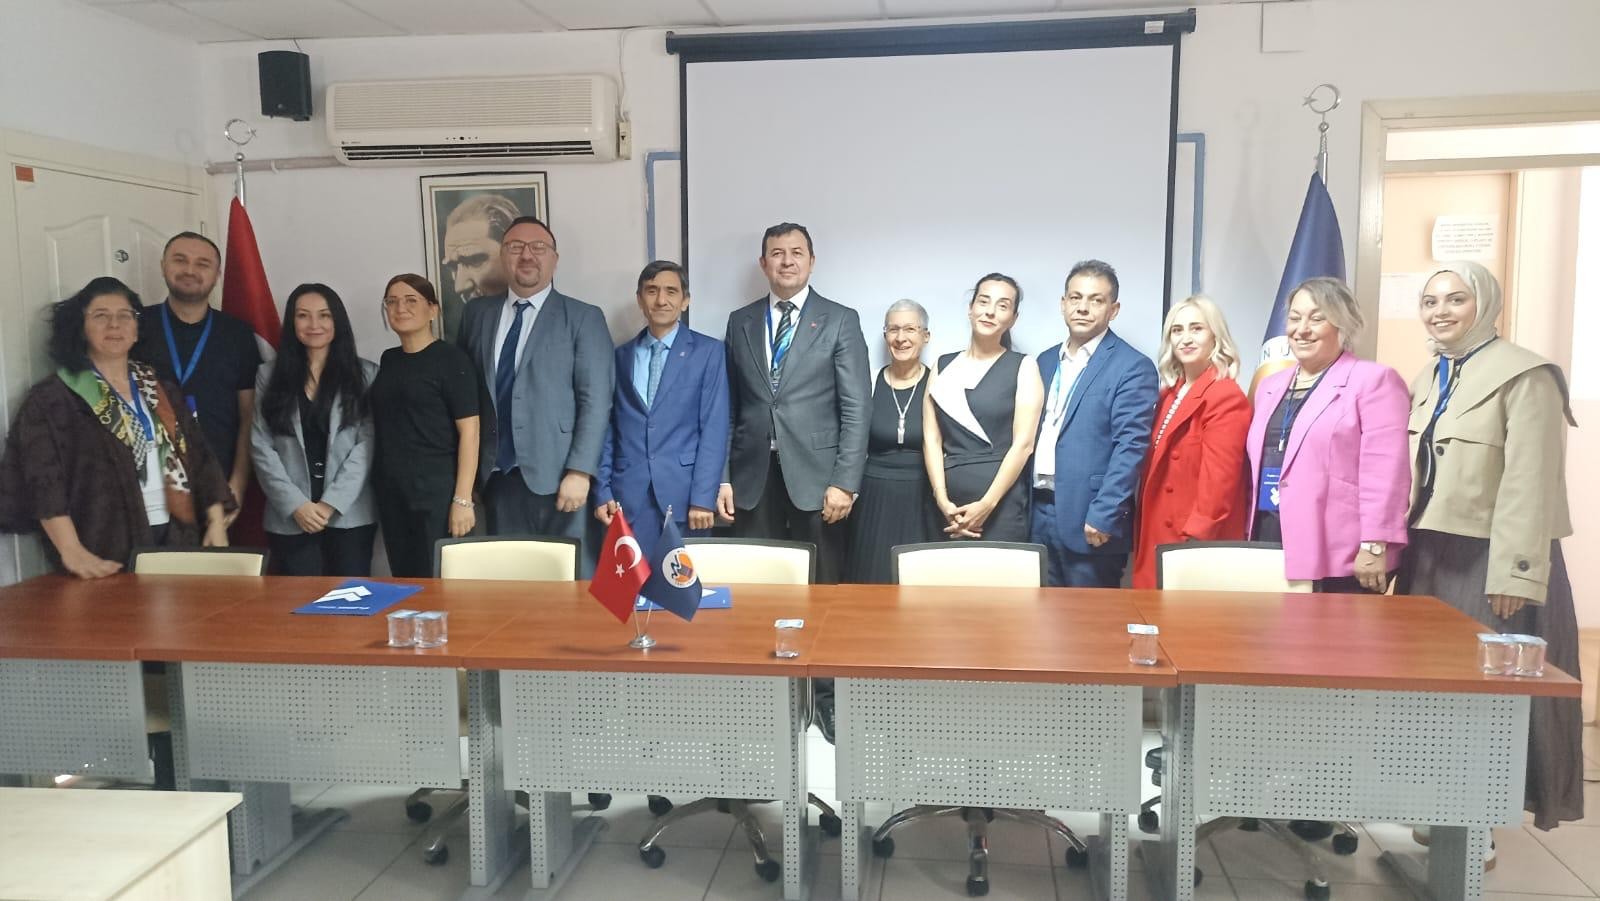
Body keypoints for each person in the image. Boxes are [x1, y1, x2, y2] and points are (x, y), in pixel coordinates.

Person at [1398, 262, 1582, 830]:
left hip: (1488, 561)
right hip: (1430, 555)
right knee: (1429, 689)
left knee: (1488, 695)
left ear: (1485, 303)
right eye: (1430, 301)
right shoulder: (1432, 375)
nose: (1441, 311)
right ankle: (1437, 806)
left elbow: (1531, 481)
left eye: (1456, 299)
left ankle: (1478, 823)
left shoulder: (1527, 375)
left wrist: (1515, 573)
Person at [0, 277, 232, 577]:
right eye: (101, 316)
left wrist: (215, 521)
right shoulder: (53, 398)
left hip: (178, 535)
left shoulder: (159, 388)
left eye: (125, 316)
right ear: (81, 327)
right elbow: (44, 480)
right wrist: (71, 550)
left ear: (136, 329)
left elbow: (200, 456)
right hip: (102, 543)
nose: (114, 325)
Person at [456, 217, 613, 566]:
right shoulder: (476, 315)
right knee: (511, 580)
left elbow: (596, 400)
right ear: (502, 256)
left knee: (571, 581)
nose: (527, 255)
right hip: (497, 477)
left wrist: (580, 471)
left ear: (554, 259)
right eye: (516, 247)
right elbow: (466, 397)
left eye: (538, 247)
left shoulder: (583, 317)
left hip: (561, 477)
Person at [718, 222, 869, 584]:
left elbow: (857, 408)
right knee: (756, 583)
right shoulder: (740, 322)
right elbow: (728, 408)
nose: (787, 261)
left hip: (818, 480)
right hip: (752, 479)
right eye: (777, 253)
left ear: (811, 261)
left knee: (821, 583)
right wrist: (723, 479)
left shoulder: (840, 320)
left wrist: (845, 483)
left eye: (796, 253)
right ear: (763, 263)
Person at [1245, 277, 1411, 592]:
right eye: (1295, 318)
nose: (1302, 329)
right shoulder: (1270, 386)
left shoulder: (1373, 381)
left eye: (1317, 318)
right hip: (1269, 533)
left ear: (1342, 324)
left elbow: (1386, 472)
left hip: (1338, 550)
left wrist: (1375, 544)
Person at [1030, 260, 1159, 587]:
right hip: (1038, 512)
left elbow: (1131, 447)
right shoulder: (1044, 361)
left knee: (1089, 618)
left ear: (1113, 310)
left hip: (1091, 517)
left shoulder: (1133, 366)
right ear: (1063, 304)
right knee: (1038, 614)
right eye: (1076, 298)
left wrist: (1105, 512)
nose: (1083, 308)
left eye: (1096, 300)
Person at [594, 261, 729, 557]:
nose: (661, 300)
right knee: (631, 584)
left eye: (671, 291)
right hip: (627, 498)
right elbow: (608, 429)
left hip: (685, 499)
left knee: (681, 583)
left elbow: (714, 429)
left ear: (685, 300)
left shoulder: (708, 352)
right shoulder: (620, 356)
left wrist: (703, 497)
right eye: (652, 291)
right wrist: (602, 490)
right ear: (640, 299)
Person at [133, 231, 261, 529]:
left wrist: (238, 483)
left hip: (217, 485)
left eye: (203, 264)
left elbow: (248, 417)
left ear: (217, 275)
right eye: (180, 260)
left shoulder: (238, 334)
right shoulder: (135, 326)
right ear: (163, 265)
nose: (190, 270)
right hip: (149, 488)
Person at [250, 284, 379, 576]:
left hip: (350, 515)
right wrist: (296, 505)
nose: (314, 324)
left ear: (337, 321)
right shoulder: (268, 375)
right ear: (291, 322)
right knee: (298, 601)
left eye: (324, 315)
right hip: (290, 517)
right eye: (303, 316)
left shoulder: (366, 374)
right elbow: (260, 445)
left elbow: (367, 444)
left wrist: (331, 504)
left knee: (351, 600)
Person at [1130, 296, 1252, 589]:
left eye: (1197, 328)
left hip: (1191, 540)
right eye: (1177, 330)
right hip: (1156, 529)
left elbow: (1219, 482)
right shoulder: (1168, 394)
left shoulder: (1224, 394)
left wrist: (1195, 541)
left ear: (1215, 336)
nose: (1186, 338)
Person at [370, 274, 480, 579]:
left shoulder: (452, 360)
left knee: (441, 583)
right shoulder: (389, 360)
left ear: (433, 310)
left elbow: (470, 432)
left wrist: (463, 499)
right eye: (392, 302)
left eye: (411, 300)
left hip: (437, 494)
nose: (400, 308)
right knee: (405, 581)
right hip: (393, 493)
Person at [924, 275, 1043, 544]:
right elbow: (931, 439)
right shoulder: (942, 365)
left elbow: (1023, 445)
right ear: (971, 308)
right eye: (984, 301)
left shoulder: (1024, 366)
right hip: (947, 506)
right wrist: (941, 498)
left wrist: (987, 504)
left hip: (1001, 504)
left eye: (1002, 306)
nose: (990, 311)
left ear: (1013, 319)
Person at [844, 300, 942, 582]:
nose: (901, 338)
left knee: (919, 583)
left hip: (923, 496)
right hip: (873, 497)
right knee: (870, 577)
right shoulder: (868, 382)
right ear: (885, 335)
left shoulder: (939, 383)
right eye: (893, 329)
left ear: (925, 336)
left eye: (910, 329)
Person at [439, 193, 519, 341]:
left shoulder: (558, 321)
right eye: (453, 267)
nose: (459, 286)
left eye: (475, 261)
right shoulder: (468, 336)